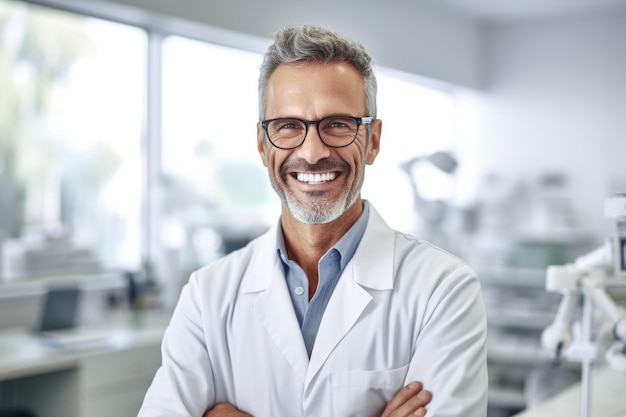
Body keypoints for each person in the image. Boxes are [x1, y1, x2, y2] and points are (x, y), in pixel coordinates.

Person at [138, 24, 488, 417]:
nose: (313, 150)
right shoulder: (207, 296)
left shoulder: (443, 290)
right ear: (261, 143)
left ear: (372, 140)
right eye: (288, 126)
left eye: (337, 124)